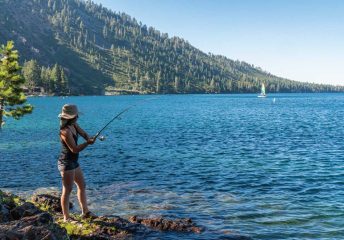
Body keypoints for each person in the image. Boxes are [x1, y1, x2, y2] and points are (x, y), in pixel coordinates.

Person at [58, 104, 96, 221]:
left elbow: (83, 133)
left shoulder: (74, 125)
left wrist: (89, 138)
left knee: (82, 185)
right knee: (67, 190)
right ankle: (66, 218)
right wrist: (87, 143)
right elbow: (74, 149)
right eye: (76, 115)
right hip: (66, 163)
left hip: (74, 162)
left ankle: (85, 212)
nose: (78, 116)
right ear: (72, 117)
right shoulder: (65, 131)